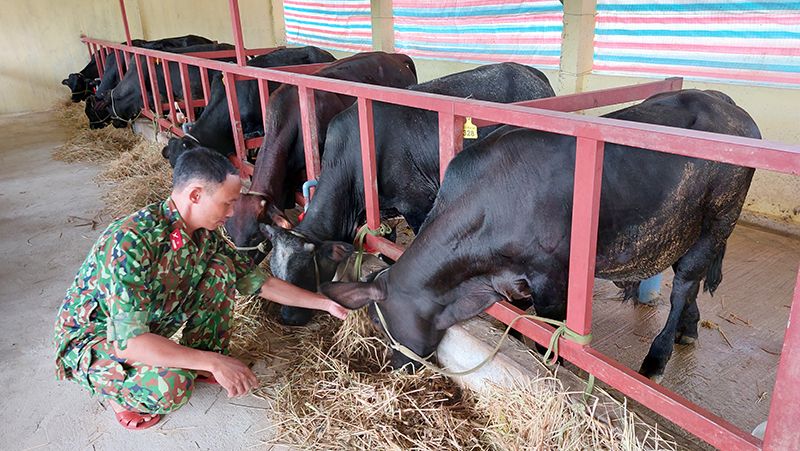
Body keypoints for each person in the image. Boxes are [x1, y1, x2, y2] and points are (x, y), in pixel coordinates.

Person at [54, 147, 349, 430]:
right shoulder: (131, 242)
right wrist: (215, 361)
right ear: (195, 195)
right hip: (97, 340)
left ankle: (198, 358)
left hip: (145, 326)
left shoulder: (204, 235)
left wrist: (325, 303)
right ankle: (117, 392)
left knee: (221, 271)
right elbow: (130, 342)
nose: (233, 212)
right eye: (227, 202)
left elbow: (260, 282)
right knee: (172, 387)